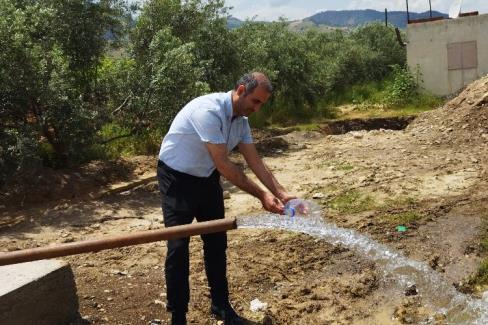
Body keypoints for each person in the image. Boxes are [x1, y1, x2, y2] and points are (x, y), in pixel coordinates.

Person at [157, 72, 295, 325]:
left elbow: (255, 161)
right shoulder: (207, 110)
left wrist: (282, 194)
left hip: (206, 179)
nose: (257, 108)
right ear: (241, 90)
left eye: (261, 104)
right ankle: (178, 316)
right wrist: (261, 195)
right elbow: (224, 164)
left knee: (216, 243)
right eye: (255, 101)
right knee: (178, 247)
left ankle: (221, 307)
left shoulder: (241, 121)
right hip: (176, 179)